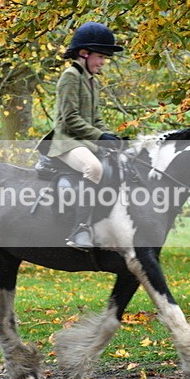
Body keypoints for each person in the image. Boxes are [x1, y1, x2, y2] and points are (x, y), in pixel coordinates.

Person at [45, 22, 124, 251]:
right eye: (100, 56)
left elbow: (96, 119)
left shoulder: (92, 81)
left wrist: (111, 137)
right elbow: (70, 119)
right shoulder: (70, 76)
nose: (103, 62)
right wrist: (100, 137)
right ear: (84, 53)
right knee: (94, 168)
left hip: (84, 141)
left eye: (105, 58)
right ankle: (79, 229)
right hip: (66, 141)